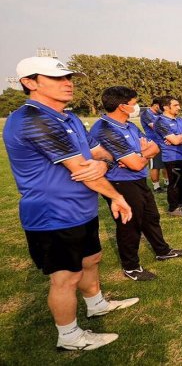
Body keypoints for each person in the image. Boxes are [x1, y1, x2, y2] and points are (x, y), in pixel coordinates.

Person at [5, 56, 136, 350]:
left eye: (69, 78)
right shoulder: (33, 120)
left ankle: (96, 304)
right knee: (65, 277)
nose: (67, 84)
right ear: (29, 83)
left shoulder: (68, 116)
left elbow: (95, 156)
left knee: (91, 259)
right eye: (56, 78)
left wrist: (106, 163)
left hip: (81, 209)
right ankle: (70, 337)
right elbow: (81, 169)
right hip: (54, 213)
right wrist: (116, 195)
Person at [90, 86, 182, 281]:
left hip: (137, 179)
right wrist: (141, 155)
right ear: (122, 106)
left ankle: (162, 250)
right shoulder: (105, 129)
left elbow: (153, 148)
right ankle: (131, 266)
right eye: (135, 103)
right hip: (119, 182)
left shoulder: (129, 125)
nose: (138, 107)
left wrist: (139, 155)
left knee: (151, 217)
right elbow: (137, 163)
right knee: (130, 224)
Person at [154, 96, 182, 216]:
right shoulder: (160, 122)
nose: (179, 107)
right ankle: (173, 208)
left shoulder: (180, 120)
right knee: (175, 183)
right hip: (171, 157)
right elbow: (175, 141)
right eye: (175, 105)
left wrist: (179, 137)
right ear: (166, 107)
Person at [140, 97, 167, 193]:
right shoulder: (147, 114)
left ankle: (167, 183)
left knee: (165, 164)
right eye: (161, 106)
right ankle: (156, 187)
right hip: (153, 143)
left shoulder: (159, 114)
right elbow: (155, 126)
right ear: (155, 105)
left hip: (163, 142)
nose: (163, 108)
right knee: (155, 166)